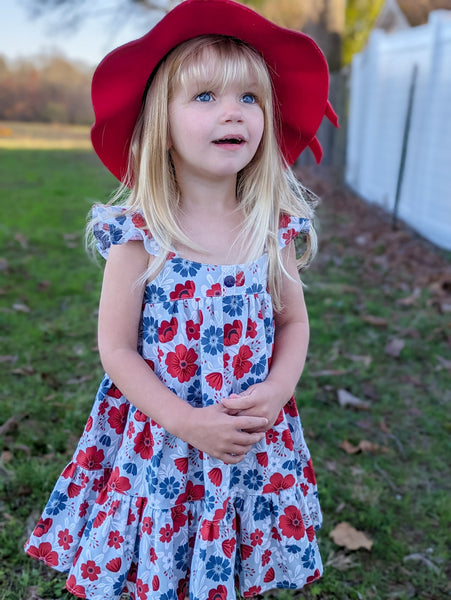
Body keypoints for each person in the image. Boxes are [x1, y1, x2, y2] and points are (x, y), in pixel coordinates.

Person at [24, 0, 338, 598]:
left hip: (249, 433)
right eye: (204, 98)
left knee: (235, 547)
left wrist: (276, 390)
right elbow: (116, 350)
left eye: (249, 98)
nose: (233, 112)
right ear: (160, 124)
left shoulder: (270, 229)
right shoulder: (140, 235)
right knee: (164, 551)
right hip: (164, 435)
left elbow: (293, 323)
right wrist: (188, 422)